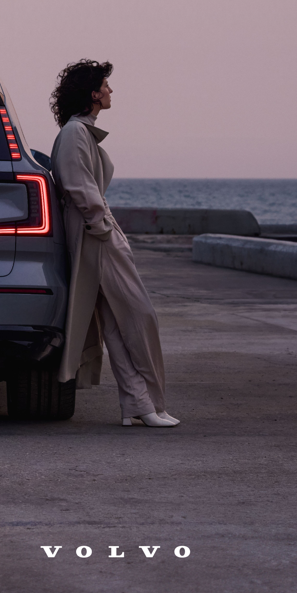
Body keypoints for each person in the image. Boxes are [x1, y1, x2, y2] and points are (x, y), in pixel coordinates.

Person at [50, 59, 179, 427]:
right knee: (140, 315)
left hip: (95, 232)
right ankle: (147, 401)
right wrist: (105, 230)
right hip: (95, 236)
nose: (110, 91)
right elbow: (79, 187)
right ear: (93, 93)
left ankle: (138, 403)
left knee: (113, 322)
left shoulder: (79, 132)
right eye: (106, 86)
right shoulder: (75, 133)